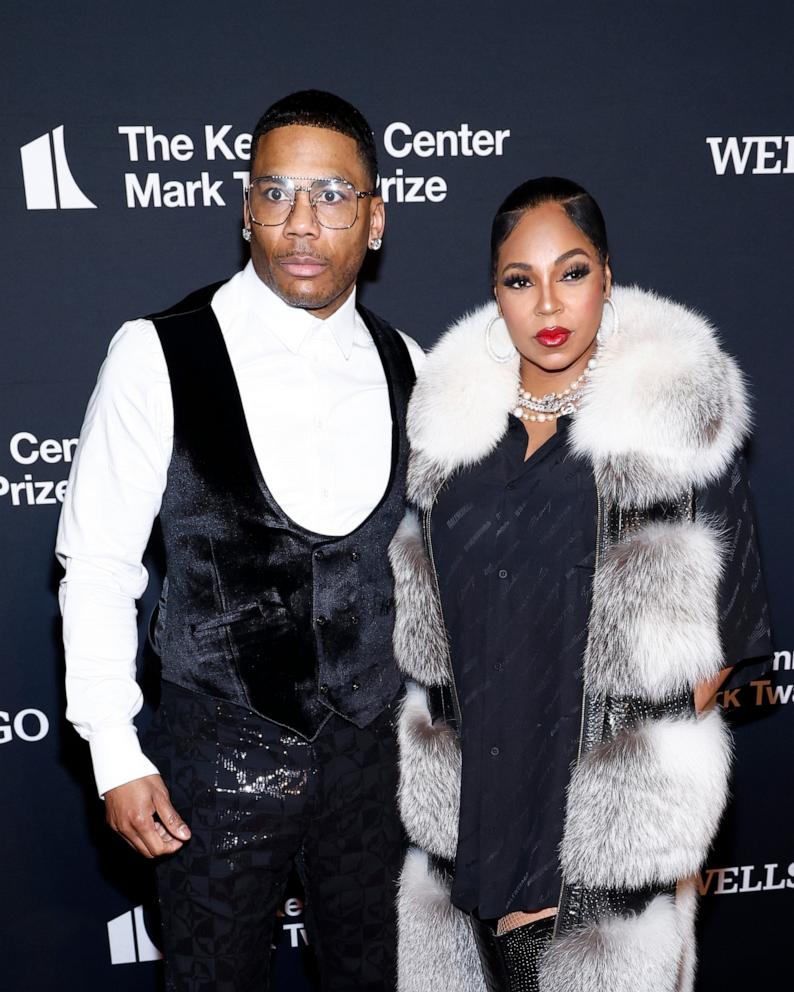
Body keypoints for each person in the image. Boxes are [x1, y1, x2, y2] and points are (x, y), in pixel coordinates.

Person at [56, 89, 424, 992]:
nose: (302, 222)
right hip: (212, 761)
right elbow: (98, 563)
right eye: (276, 193)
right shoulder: (156, 352)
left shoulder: (411, 361)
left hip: (375, 760)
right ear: (245, 210)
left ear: (373, 221)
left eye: (332, 196)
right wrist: (113, 746)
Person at [388, 177, 771, 992]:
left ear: (607, 276)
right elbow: (436, 642)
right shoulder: (447, 448)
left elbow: (729, 643)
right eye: (520, 281)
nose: (548, 303)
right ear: (495, 294)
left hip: (596, 838)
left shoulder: (671, 438)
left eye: (572, 272)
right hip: (471, 824)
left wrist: (604, 816)